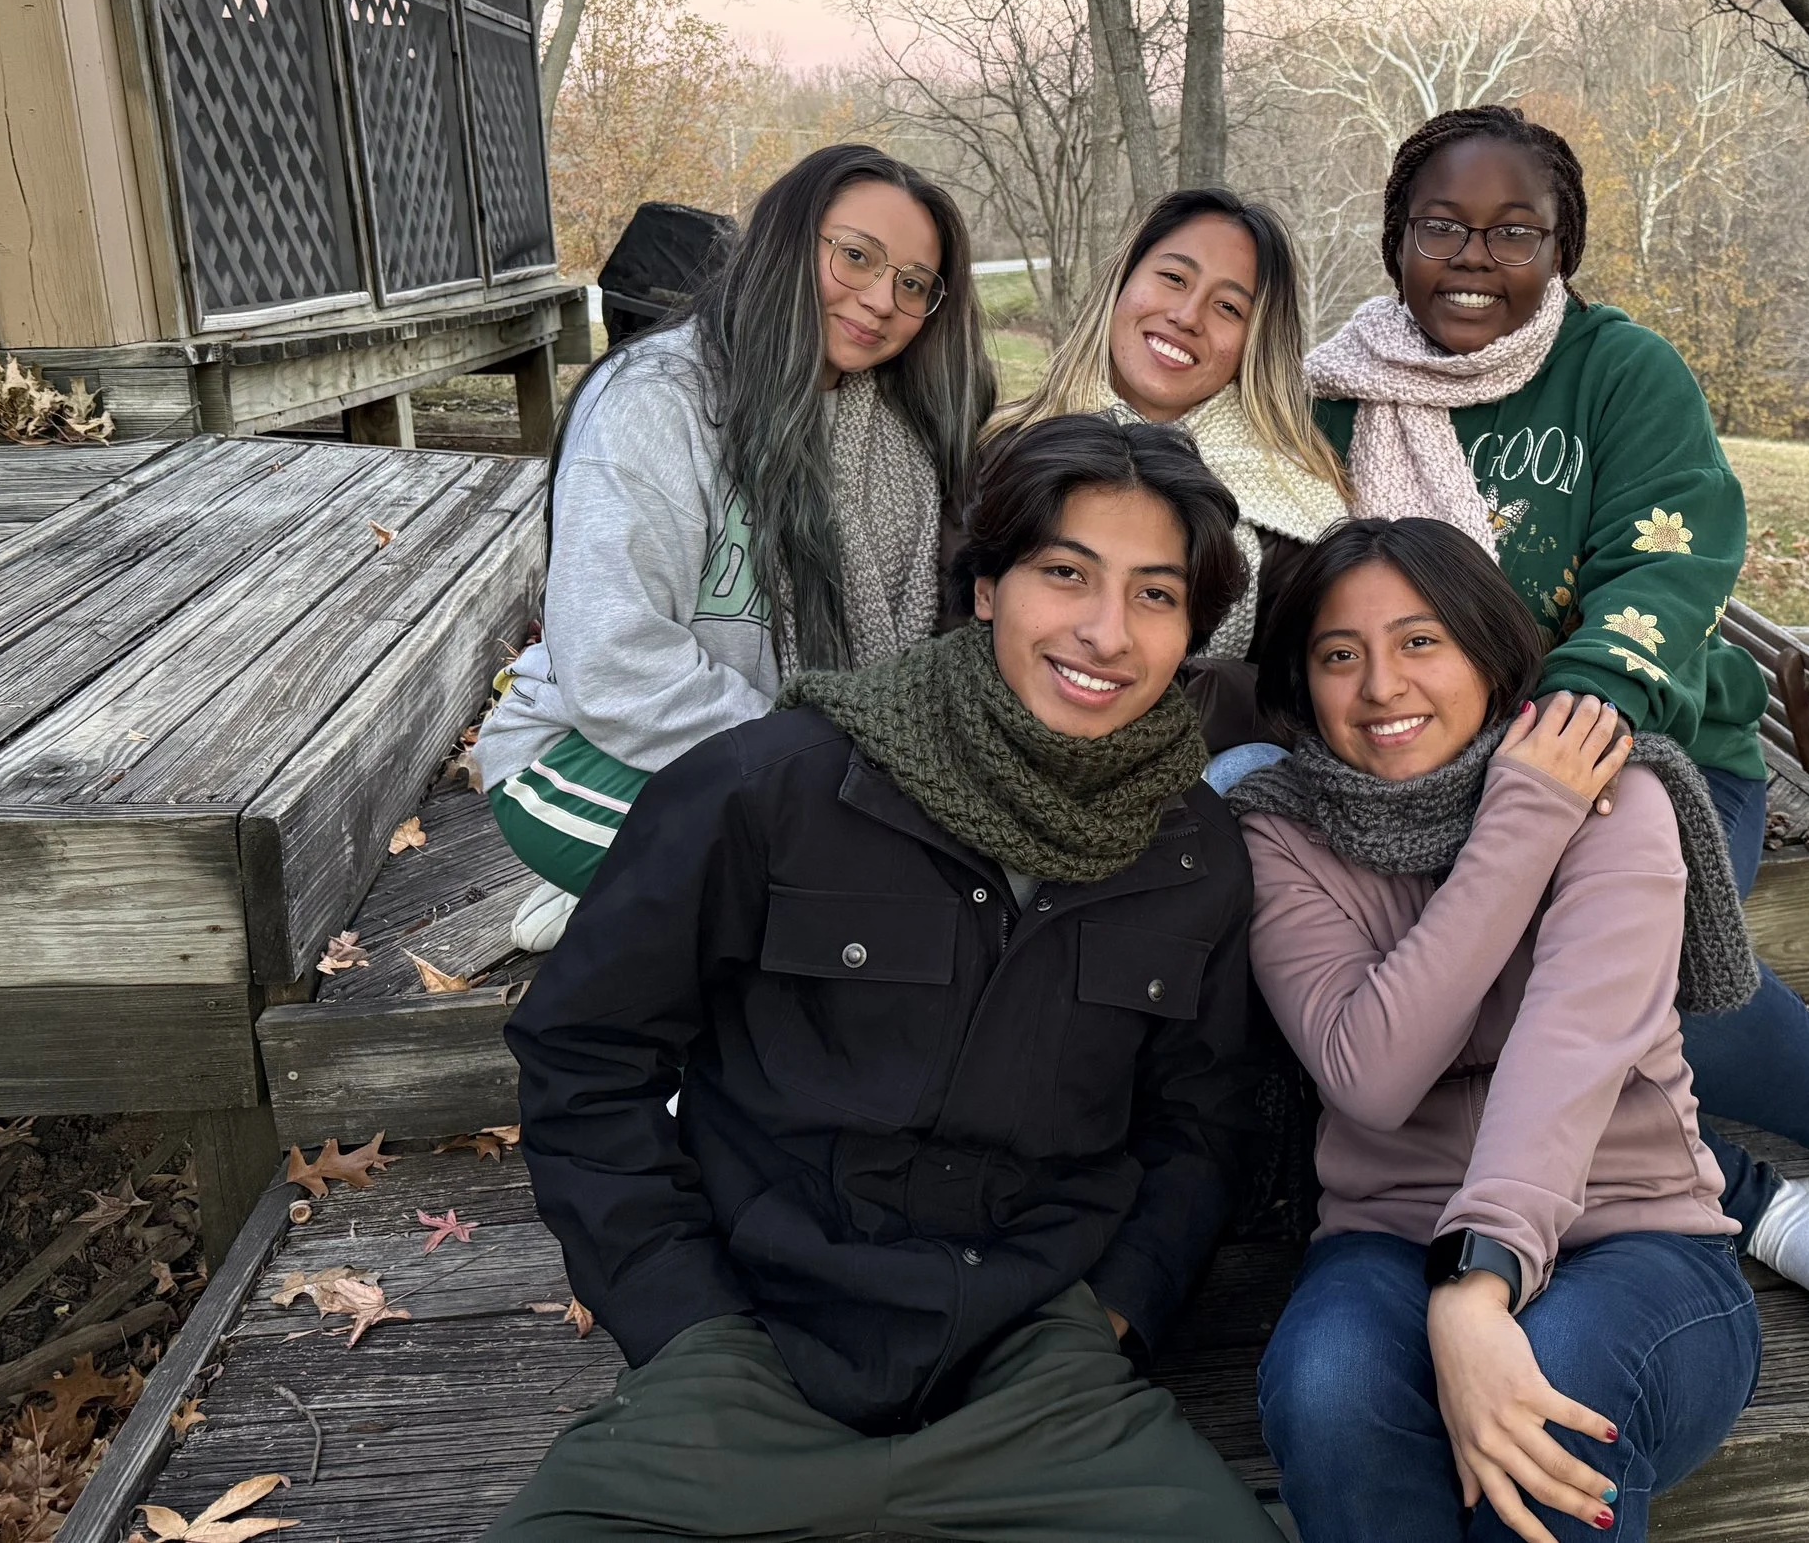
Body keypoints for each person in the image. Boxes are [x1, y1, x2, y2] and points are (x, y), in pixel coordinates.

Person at [488, 414, 1281, 1543]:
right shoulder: (771, 791)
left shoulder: (1194, 854)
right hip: (755, 1352)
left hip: (1033, 1371)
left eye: (1155, 595)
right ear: (986, 587)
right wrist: (683, 1320)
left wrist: (1110, 1313)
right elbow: (583, 1052)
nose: (1107, 632)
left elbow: (1201, 1119)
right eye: (1066, 574)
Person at [1304, 103, 1809, 1346]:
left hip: (1644, 743)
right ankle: (1753, 1199)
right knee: (1474, 995)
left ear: (1562, 247)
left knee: (1643, 970)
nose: (1474, 257)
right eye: (1442, 228)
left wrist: (1579, 710)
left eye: (1516, 233)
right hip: (1418, 766)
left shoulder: (1621, 372)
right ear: (1393, 241)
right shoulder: (1339, 394)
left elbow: (1670, 560)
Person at [1237, 518, 1761, 1543]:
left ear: (1488, 649)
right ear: (1304, 686)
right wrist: (1521, 822)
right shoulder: (1282, 829)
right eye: (1339, 655)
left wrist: (1478, 1282)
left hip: (1636, 1237)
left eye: (1421, 641)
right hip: (1384, 1239)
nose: (1383, 685)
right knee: (1329, 1391)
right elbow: (1370, 1075)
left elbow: (1570, 1048)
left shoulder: (1623, 791)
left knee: (1562, 1395)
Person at [475, 143, 994, 952]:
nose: (879, 298)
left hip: (779, 765)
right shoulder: (658, 401)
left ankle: (626, 900)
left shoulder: (888, 439)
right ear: (790, 239)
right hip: (581, 760)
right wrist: (824, 771)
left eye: (913, 283)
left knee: (940, 863)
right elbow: (616, 663)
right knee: (878, 890)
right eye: (856, 256)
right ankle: (653, 975)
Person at [995, 189, 1348, 747]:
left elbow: (1302, 695)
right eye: (1174, 279)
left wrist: (1168, 695)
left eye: (1228, 307)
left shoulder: (1298, 511)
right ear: (1123, 281)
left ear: (1254, 341)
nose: (1186, 317)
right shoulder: (1003, 451)